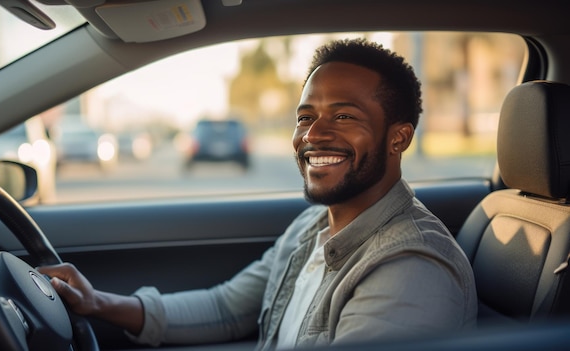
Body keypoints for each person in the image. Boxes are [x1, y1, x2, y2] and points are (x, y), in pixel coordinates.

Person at [38, 38, 477, 350]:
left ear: (398, 139)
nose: (314, 134)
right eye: (305, 117)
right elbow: (229, 308)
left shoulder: (412, 268)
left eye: (344, 116)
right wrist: (98, 303)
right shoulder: (312, 228)